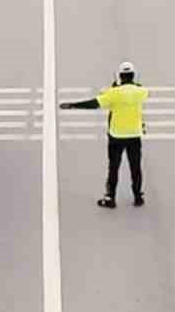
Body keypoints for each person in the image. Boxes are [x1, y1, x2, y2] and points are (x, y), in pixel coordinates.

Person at [60, 62, 149, 209]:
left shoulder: (113, 93)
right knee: (135, 167)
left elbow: (94, 103)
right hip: (134, 135)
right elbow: (140, 89)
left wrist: (73, 105)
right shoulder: (142, 92)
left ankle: (110, 198)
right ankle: (138, 197)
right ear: (133, 75)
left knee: (113, 167)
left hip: (116, 135)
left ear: (119, 76)